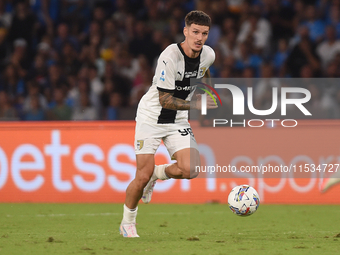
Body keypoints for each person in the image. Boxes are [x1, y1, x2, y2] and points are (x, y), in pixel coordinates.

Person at [120, 10, 217, 238]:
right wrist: (198, 106)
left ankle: (158, 173)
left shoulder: (208, 54)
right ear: (185, 31)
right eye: (195, 32)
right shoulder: (169, 56)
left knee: (191, 169)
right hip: (152, 116)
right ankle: (127, 222)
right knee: (141, 176)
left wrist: (208, 92)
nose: (199, 38)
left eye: (204, 33)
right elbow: (165, 100)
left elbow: (205, 70)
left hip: (178, 119)